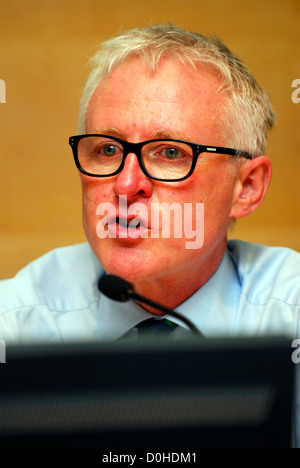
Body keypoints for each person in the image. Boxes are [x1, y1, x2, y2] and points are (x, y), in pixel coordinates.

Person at [0, 24, 299, 344]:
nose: (126, 185)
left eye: (171, 153)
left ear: (247, 187)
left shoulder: (289, 318)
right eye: (108, 149)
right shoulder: (17, 325)